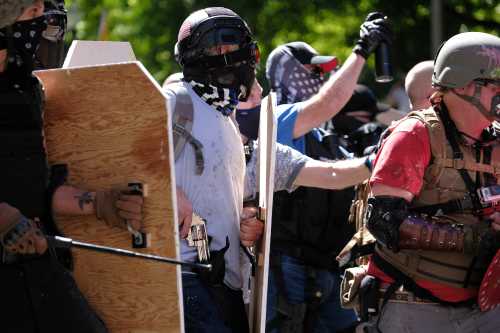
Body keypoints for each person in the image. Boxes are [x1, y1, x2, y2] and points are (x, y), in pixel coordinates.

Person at [0, 1, 143, 332]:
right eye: (31, 14)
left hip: (34, 261)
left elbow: (36, 187)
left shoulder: (27, 90)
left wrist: (98, 202)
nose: (40, 25)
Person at [361, 31, 500, 332]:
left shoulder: (497, 141)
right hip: (413, 302)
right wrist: (474, 239)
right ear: (465, 86)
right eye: (495, 85)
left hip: (483, 305)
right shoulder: (414, 135)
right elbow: (385, 220)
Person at [264, 13, 391, 332]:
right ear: (288, 74)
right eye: (314, 70)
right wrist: (362, 49)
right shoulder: (276, 117)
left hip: (329, 266)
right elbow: (328, 102)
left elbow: (347, 175)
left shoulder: (323, 134)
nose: (323, 76)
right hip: (288, 266)